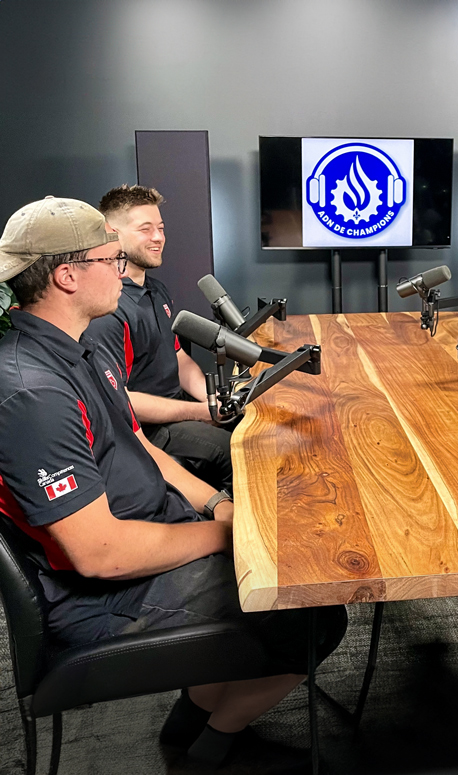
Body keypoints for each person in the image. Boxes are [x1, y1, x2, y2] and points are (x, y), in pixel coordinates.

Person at [0, 197, 347, 769]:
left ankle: (189, 727)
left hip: (154, 529)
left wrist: (215, 504)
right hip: (104, 596)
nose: (121, 271)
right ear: (67, 276)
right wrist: (230, 536)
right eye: (110, 259)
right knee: (314, 610)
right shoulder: (34, 392)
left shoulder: (77, 351)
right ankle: (212, 749)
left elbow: (138, 446)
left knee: (291, 564)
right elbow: (100, 554)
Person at [87, 184, 233, 492]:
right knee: (232, 450)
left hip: (178, 411)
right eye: (146, 229)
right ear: (113, 234)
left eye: (161, 228)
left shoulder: (157, 291)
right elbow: (120, 399)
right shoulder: (107, 310)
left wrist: (212, 400)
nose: (158, 237)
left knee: (250, 425)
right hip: (145, 430)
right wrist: (201, 413)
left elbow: (178, 358)